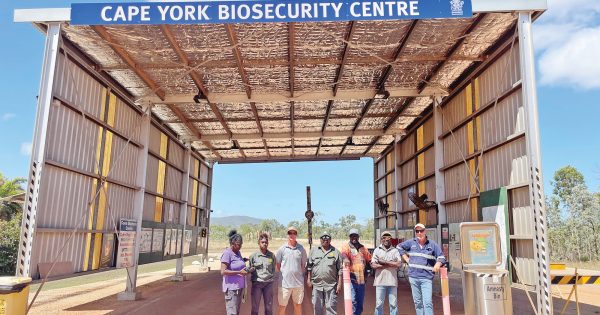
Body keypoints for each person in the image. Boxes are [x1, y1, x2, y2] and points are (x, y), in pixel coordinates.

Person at [397, 223, 446, 315]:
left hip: (426, 278)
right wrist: (406, 258)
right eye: (417, 231)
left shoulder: (432, 244)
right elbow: (399, 247)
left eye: (421, 231)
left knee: (427, 302)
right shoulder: (411, 242)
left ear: (425, 231)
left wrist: (438, 264)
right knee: (418, 302)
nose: (419, 233)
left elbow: (442, 257)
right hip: (413, 277)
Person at [307, 232, 343, 315]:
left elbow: (340, 270)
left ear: (330, 240)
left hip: (331, 286)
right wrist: (308, 279)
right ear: (320, 239)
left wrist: (339, 284)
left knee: (331, 309)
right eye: (323, 238)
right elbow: (309, 266)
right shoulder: (313, 251)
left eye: (327, 238)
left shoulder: (336, 252)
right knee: (317, 308)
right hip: (317, 285)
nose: (325, 240)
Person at [276, 226, 307, 315]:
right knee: (282, 307)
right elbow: (278, 265)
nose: (292, 235)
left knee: (297, 306)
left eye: (294, 233)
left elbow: (303, 265)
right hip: (284, 284)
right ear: (287, 235)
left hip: (298, 284)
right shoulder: (282, 249)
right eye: (290, 233)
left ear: (296, 235)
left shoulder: (301, 249)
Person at [340, 228, 372, 315]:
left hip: (361, 281)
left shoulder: (363, 248)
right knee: (353, 301)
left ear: (358, 237)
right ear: (349, 237)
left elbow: (369, 259)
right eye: (352, 236)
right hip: (352, 280)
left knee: (360, 303)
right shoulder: (346, 247)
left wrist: (369, 270)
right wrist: (346, 259)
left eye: (355, 236)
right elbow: (343, 254)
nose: (354, 237)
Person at [370, 231, 402, 315]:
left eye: (388, 237)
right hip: (380, 281)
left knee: (393, 304)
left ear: (391, 239)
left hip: (392, 281)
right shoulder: (377, 250)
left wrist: (384, 262)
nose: (386, 239)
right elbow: (373, 265)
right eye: (384, 237)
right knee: (379, 304)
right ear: (381, 239)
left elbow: (399, 264)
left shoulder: (395, 250)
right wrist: (390, 264)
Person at [220, 230, 249, 315]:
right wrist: (239, 272)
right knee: (232, 312)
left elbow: (235, 262)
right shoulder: (227, 253)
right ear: (233, 243)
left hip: (239, 287)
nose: (240, 247)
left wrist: (243, 260)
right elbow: (223, 271)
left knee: (236, 311)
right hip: (231, 289)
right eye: (238, 245)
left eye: (241, 244)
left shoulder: (237, 252)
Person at [249, 232, 276, 315]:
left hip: (268, 284)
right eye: (262, 242)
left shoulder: (271, 255)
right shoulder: (253, 256)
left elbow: (273, 268)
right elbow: (250, 268)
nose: (265, 244)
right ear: (259, 243)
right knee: (255, 308)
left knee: (269, 308)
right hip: (257, 284)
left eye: (266, 242)